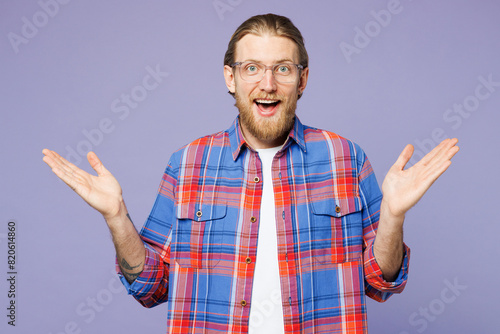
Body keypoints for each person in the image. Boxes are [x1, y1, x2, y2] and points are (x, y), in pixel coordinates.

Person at [42, 13, 459, 334]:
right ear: (231, 78)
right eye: (252, 68)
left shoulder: (344, 158)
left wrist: (393, 217)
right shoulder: (187, 163)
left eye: (283, 68)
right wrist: (116, 217)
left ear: (302, 79)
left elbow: (381, 283)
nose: (268, 82)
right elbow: (151, 287)